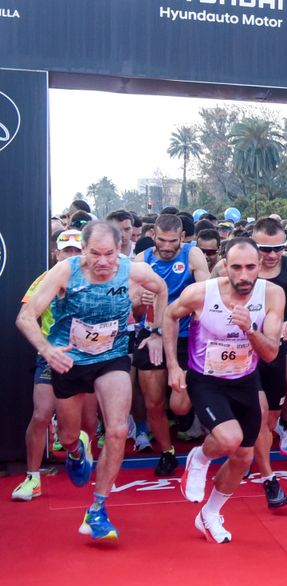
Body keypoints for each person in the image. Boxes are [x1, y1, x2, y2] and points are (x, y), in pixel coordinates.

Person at [14, 221, 170, 540]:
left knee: (117, 429)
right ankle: (76, 451)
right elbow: (25, 317)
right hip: (69, 360)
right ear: (83, 250)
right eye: (95, 254)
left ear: (120, 249)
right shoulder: (65, 271)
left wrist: (156, 331)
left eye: (109, 254)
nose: (103, 261)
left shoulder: (132, 270)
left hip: (112, 357)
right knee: (69, 435)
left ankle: (98, 509)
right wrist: (46, 349)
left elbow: (161, 289)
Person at [165, 238, 285, 543]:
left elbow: (270, 354)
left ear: (260, 265)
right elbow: (169, 315)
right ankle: (199, 458)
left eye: (250, 267)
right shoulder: (201, 293)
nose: (243, 275)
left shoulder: (272, 294)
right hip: (206, 379)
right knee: (229, 439)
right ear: (224, 266)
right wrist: (173, 365)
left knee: (244, 457)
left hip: (245, 380)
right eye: (236, 267)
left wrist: (250, 329)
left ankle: (210, 514)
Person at [134, 213, 212, 475]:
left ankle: (191, 422)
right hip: (151, 336)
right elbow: (133, 310)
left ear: (182, 237)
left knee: (180, 404)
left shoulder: (193, 255)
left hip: (186, 336)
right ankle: (167, 452)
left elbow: (206, 294)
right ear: (153, 235)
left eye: (173, 241)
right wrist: (142, 302)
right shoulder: (142, 260)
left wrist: (176, 313)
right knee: (153, 402)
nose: (167, 247)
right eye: (162, 240)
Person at [246, 218, 287, 509]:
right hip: (243, 344)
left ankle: (283, 423)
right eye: (264, 249)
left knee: (272, 415)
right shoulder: (234, 268)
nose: (272, 255)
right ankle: (265, 474)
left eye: (279, 248)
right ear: (252, 245)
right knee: (259, 413)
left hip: (281, 338)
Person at [11, 231, 81, 502]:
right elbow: (27, 315)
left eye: (77, 251)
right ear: (56, 254)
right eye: (67, 251)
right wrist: (45, 348)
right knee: (41, 414)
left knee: (84, 424)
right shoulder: (45, 280)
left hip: (89, 357)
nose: (72, 256)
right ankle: (33, 477)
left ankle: (79, 457)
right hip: (52, 355)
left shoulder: (97, 279)